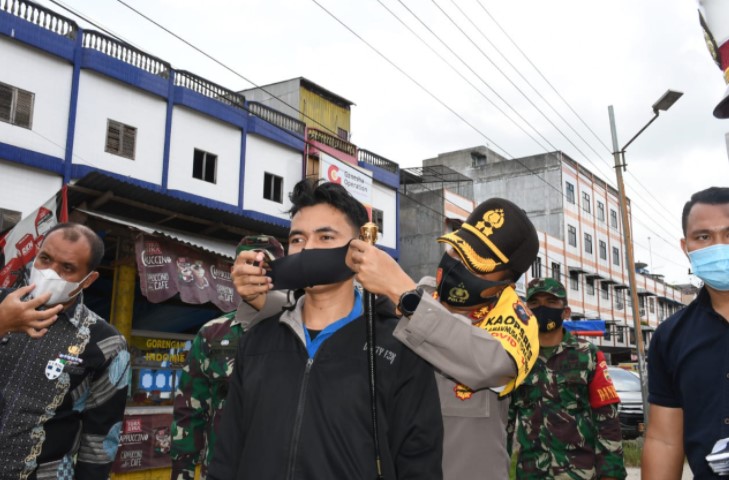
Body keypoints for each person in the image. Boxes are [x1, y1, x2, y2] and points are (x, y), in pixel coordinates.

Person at [208, 180, 443, 480]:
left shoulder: (399, 348)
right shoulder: (257, 342)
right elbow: (227, 457)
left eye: (326, 237)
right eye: (297, 240)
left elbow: (420, 462)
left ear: (361, 247)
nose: (308, 250)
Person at [346, 197, 541, 478]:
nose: (455, 264)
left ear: (505, 282)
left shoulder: (514, 320)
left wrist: (404, 295)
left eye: (474, 263)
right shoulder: (418, 295)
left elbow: (492, 365)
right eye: (455, 251)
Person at [0, 222, 130, 479]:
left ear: (88, 279)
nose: (50, 272)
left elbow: (100, 440)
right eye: (45, 259)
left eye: (67, 268)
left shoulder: (106, 344)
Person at [170, 235, 285, 480]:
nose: (255, 273)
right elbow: (189, 413)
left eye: (266, 267)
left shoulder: (301, 329)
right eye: (249, 264)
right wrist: (183, 474)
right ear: (233, 271)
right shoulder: (212, 334)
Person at [643, 186, 729, 480]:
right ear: (686, 247)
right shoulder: (671, 337)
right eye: (703, 237)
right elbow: (664, 441)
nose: (719, 247)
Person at [507, 277, 625, 480]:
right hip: (531, 474)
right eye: (534, 303)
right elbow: (505, 423)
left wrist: (611, 474)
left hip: (579, 473)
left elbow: (607, 421)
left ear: (566, 311)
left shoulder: (587, 354)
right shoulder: (515, 357)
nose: (542, 308)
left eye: (551, 302)